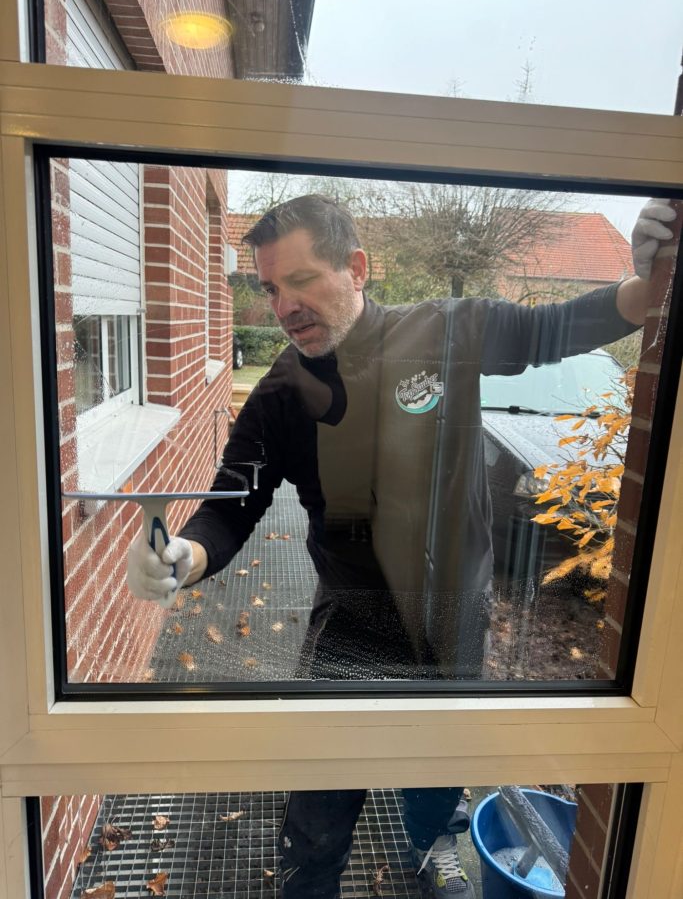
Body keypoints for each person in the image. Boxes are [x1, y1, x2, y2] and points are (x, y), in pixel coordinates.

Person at [127, 195, 676, 898]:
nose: (284, 306)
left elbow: (553, 329)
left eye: (301, 280)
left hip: (454, 608)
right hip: (350, 616)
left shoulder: (444, 332)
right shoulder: (281, 394)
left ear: (356, 268)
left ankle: (432, 839)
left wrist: (648, 281)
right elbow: (231, 507)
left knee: (439, 755)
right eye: (269, 288)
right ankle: (309, 880)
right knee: (321, 797)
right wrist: (184, 557)